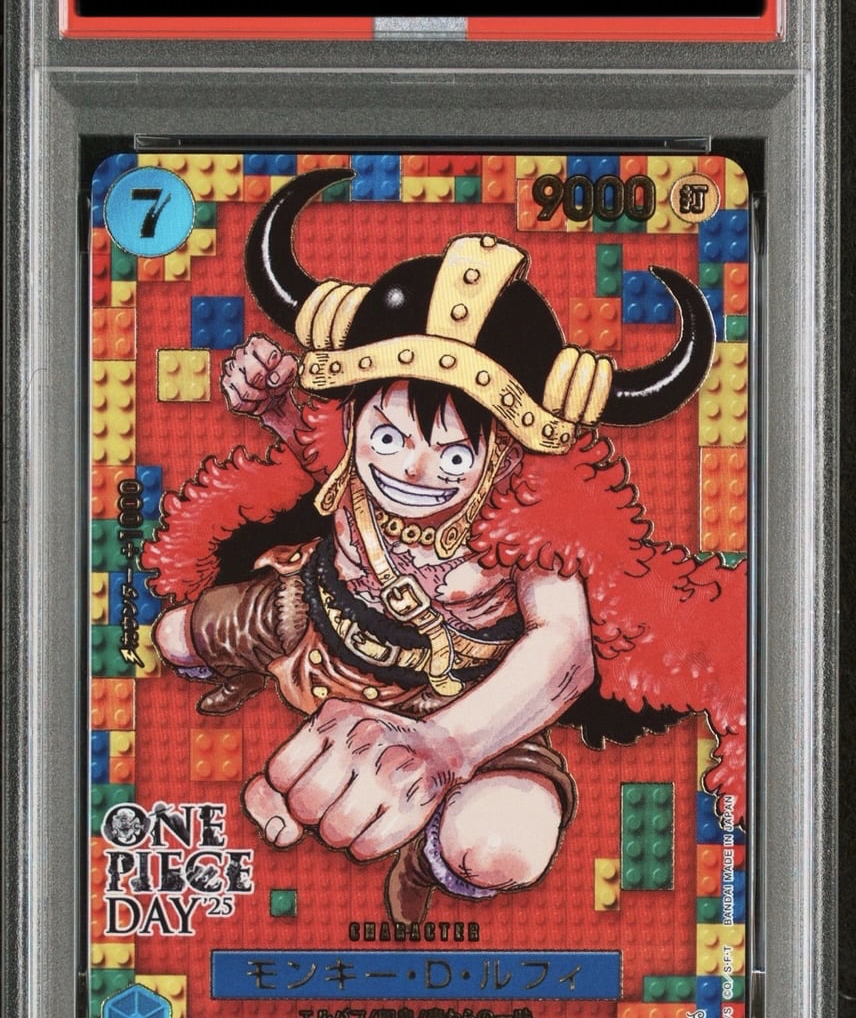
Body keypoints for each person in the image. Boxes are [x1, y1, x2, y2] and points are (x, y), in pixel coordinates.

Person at [147, 169, 741, 921]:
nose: (412, 469)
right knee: (174, 636)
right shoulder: (340, 444)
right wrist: (270, 401)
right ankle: (251, 677)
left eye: (453, 454)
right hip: (311, 620)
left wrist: (443, 746)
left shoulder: (534, 520)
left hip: (464, 695)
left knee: (501, 846)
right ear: (354, 417)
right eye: (388, 437)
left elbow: (564, 648)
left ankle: (427, 858)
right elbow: (309, 451)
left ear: (507, 455)